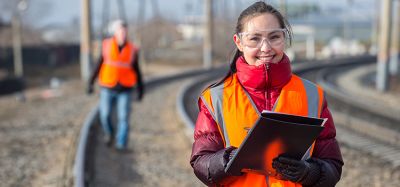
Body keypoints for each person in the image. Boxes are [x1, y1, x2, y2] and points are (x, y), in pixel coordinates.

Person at [190, 1, 343, 187]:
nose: (265, 48)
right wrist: (228, 160)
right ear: (239, 42)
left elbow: (332, 165)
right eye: (254, 39)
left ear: (284, 38)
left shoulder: (313, 95)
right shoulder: (215, 98)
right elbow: (200, 162)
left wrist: (309, 173)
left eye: (274, 37)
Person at [87, 19, 144, 151]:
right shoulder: (106, 45)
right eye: (120, 31)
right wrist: (90, 82)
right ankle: (110, 132)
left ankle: (121, 144)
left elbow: (137, 70)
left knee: (123, 117)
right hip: (107, 86)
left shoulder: (132, 50)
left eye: (125, 31)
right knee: (104, 115)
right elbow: (98, 65)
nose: (123, 33)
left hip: (125, 88)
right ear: (115, 32)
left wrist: (141, 89)